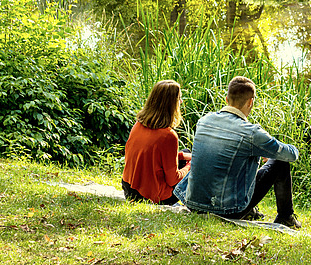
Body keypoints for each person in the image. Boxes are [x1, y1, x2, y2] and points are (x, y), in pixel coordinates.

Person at [175, 76, 301, 228]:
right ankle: (286, 217)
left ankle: (253, 211)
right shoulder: (252, 133)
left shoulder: (204, 121)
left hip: (192, 203)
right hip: (227, 210)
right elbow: (291, 155)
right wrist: (270, 152)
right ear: (250, 102)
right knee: (280, 162)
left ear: (227, 99)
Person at [122, 80, 191, 205]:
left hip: (129, 189)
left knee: (186, 152)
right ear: (171, 104)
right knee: (197, 167)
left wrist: (181, 156)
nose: (181, 102)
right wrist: (191, 166)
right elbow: (173, 180)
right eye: (179, 99)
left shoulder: (138, 124)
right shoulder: (168, 135)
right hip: (153, 196)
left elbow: (151, 158)